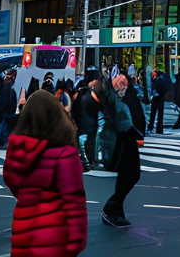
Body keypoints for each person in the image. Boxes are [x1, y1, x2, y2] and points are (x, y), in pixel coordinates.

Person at [2, 89, 87, 256]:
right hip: (54, 233)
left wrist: (29, 196)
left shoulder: (18, 150)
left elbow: (11, 180)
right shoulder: (65, 154)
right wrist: (77, 238)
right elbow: (73, 200)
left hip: (23, 226)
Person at [98, 73, 145, 229]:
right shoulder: (117, 101)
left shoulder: (122, 99)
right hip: (123, 143)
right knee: (130, 175)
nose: (124, 87)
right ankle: (112, 208)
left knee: (128, 177)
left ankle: (116, 209)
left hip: (126, 142)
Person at [73, 69, 100, 171]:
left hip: (80, 120)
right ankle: (89, 161)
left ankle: (84, 160)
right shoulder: (90, 93)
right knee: (89, 142)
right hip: (89, 121)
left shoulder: (79, 89)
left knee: (82, 142)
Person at [147, 67, 170, 135]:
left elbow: (152, 89)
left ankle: (151, 126)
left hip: (155, 98)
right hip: (161, 97)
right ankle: (159, 129)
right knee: (160, 114)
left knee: (153, 113)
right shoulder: (164, 79)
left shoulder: (155, 80)